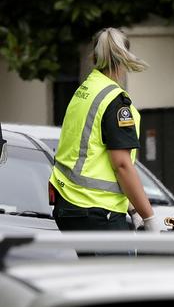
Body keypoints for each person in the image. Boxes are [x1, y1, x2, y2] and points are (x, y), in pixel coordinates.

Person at [49, 27, 156, 231]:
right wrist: (148, 217)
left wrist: (132, 207)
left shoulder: (85, 90)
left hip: (68, 204)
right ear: (124, 58)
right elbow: (122, 165)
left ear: (94, 57)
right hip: (96, 209)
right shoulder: (116, 102)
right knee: (122, 265)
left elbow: (94, 155)